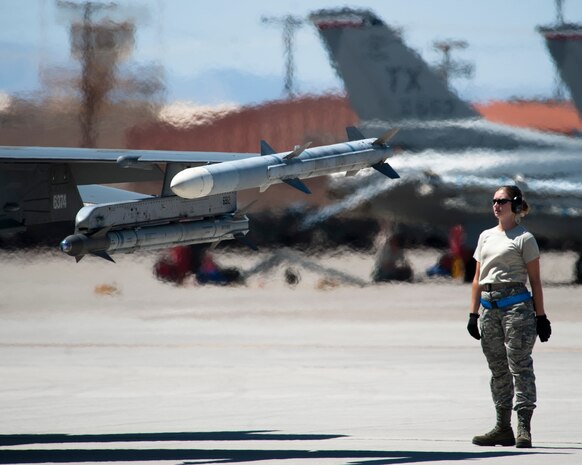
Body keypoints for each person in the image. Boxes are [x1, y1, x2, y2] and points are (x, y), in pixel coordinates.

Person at [467, 185, 552, 448]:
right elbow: (477, 279)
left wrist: (541, 316)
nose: (496, 205)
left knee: (520, 365)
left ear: (514, 205)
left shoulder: (524, 238)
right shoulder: (485, 237)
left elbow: (535, 281)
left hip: (517, 308)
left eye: (501, 201)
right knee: (498, 369)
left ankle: (523, 427)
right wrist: (472, 314)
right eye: (493, 201)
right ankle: (503, 427)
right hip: (489, 308)